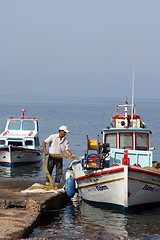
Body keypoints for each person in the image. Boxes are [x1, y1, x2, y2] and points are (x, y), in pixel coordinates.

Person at [42, 125, 75, 189]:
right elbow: (44, 142)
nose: (65, 134)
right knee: (49, 170)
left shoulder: (66, 141)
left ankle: (56, 185)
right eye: (65, 132)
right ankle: (48, 184)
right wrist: (45, 150)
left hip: (60, 157)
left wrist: (70, 155)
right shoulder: (53, 137)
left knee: (59, 172)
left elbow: (66, 150)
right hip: (52, 156)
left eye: (66, 133)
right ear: (61, 131)